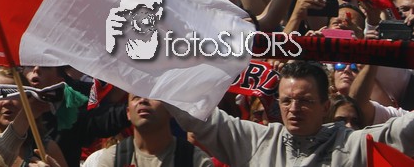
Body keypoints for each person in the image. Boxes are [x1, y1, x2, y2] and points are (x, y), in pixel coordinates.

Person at [170, 60, 414, 167]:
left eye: (305, 101)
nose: (294, 109)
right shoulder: (257, 140)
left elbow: (406, 130)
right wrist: (153, 64)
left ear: (325, 107)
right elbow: (197, 115)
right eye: (286, 101)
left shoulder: (355, 144)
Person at [82, 94, 211, 167]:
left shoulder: (196, 161)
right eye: (136, 97)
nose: (143, 100)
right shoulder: (110, 160)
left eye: (153, 96)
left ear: (171, 109)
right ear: (128, 113)